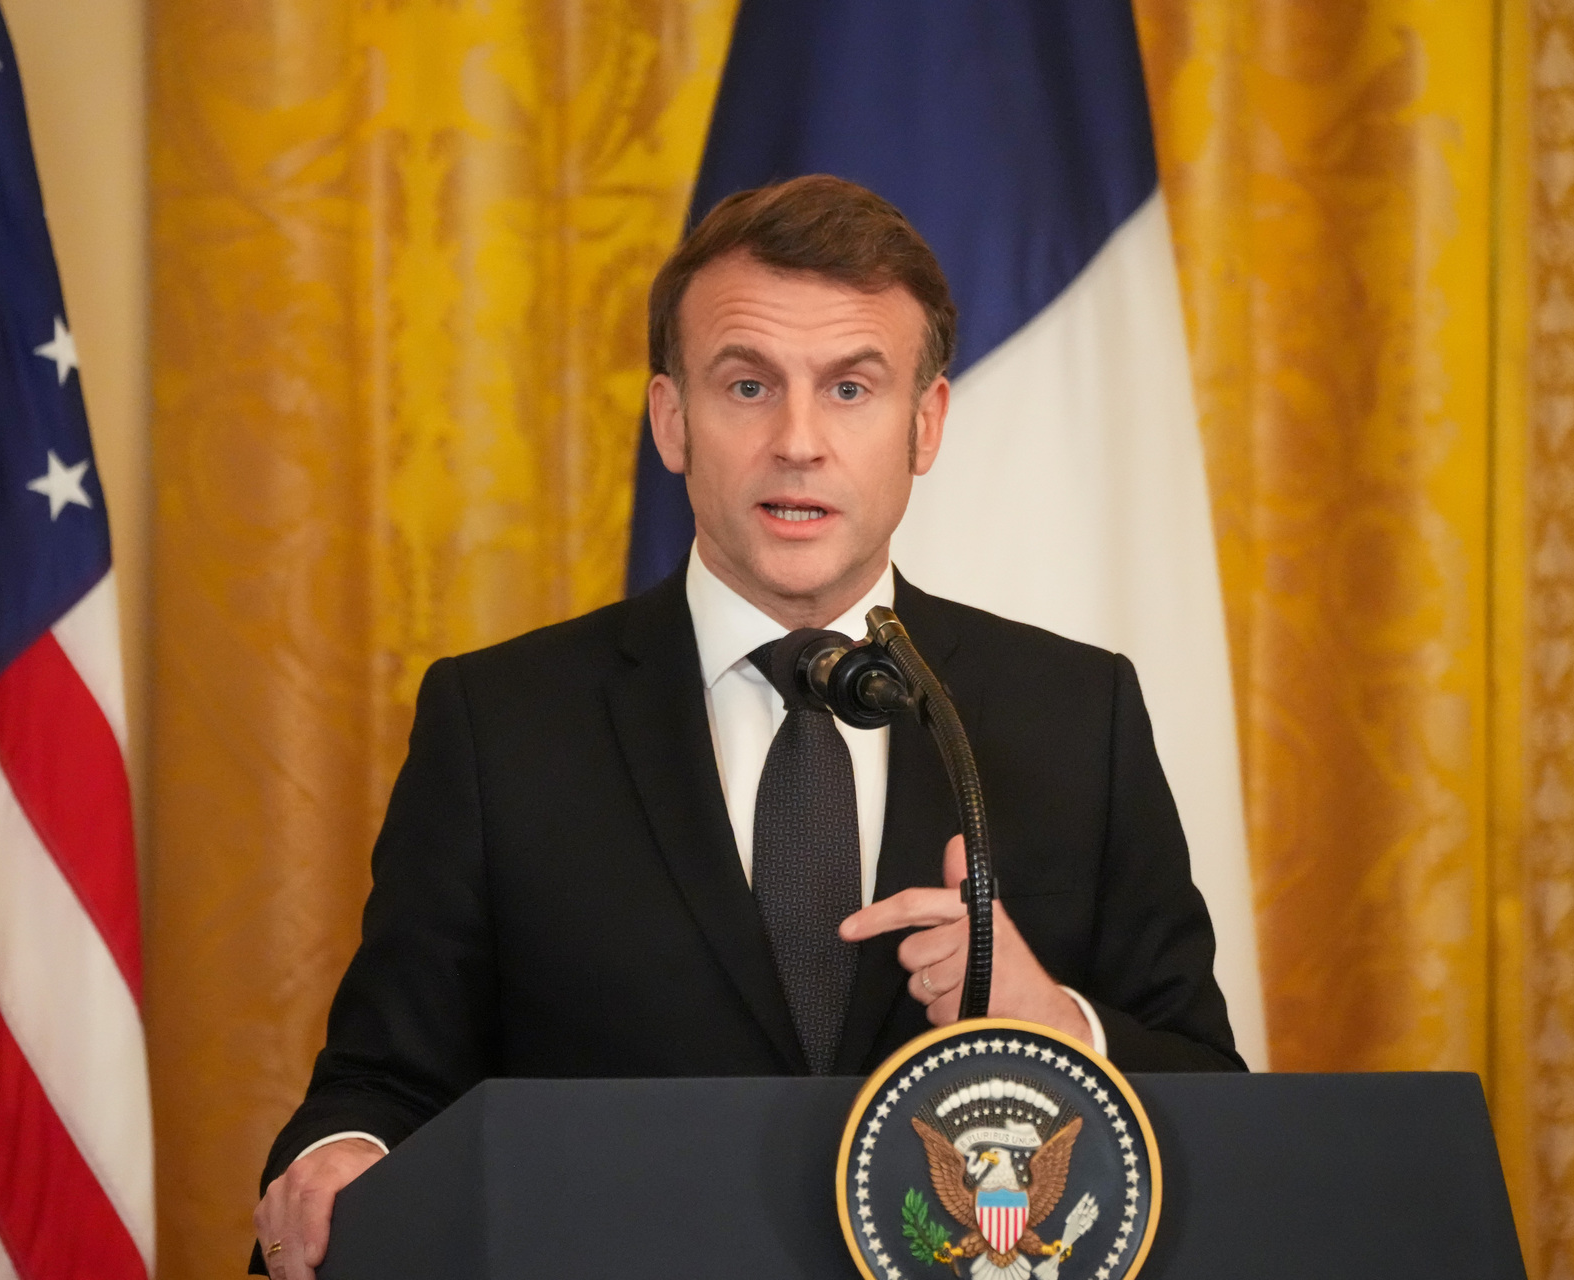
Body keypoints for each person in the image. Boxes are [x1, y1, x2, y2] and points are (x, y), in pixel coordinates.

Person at [251, 174, 1242, 1278]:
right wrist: (342, 1151)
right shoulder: (500, 721)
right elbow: (382, 1079)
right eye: (747, 384)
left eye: (853, 388)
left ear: (927, 423)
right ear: (672, 418)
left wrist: (1052, 1019)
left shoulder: (1074, 711)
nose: (799, 441)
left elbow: (1213, 1098)